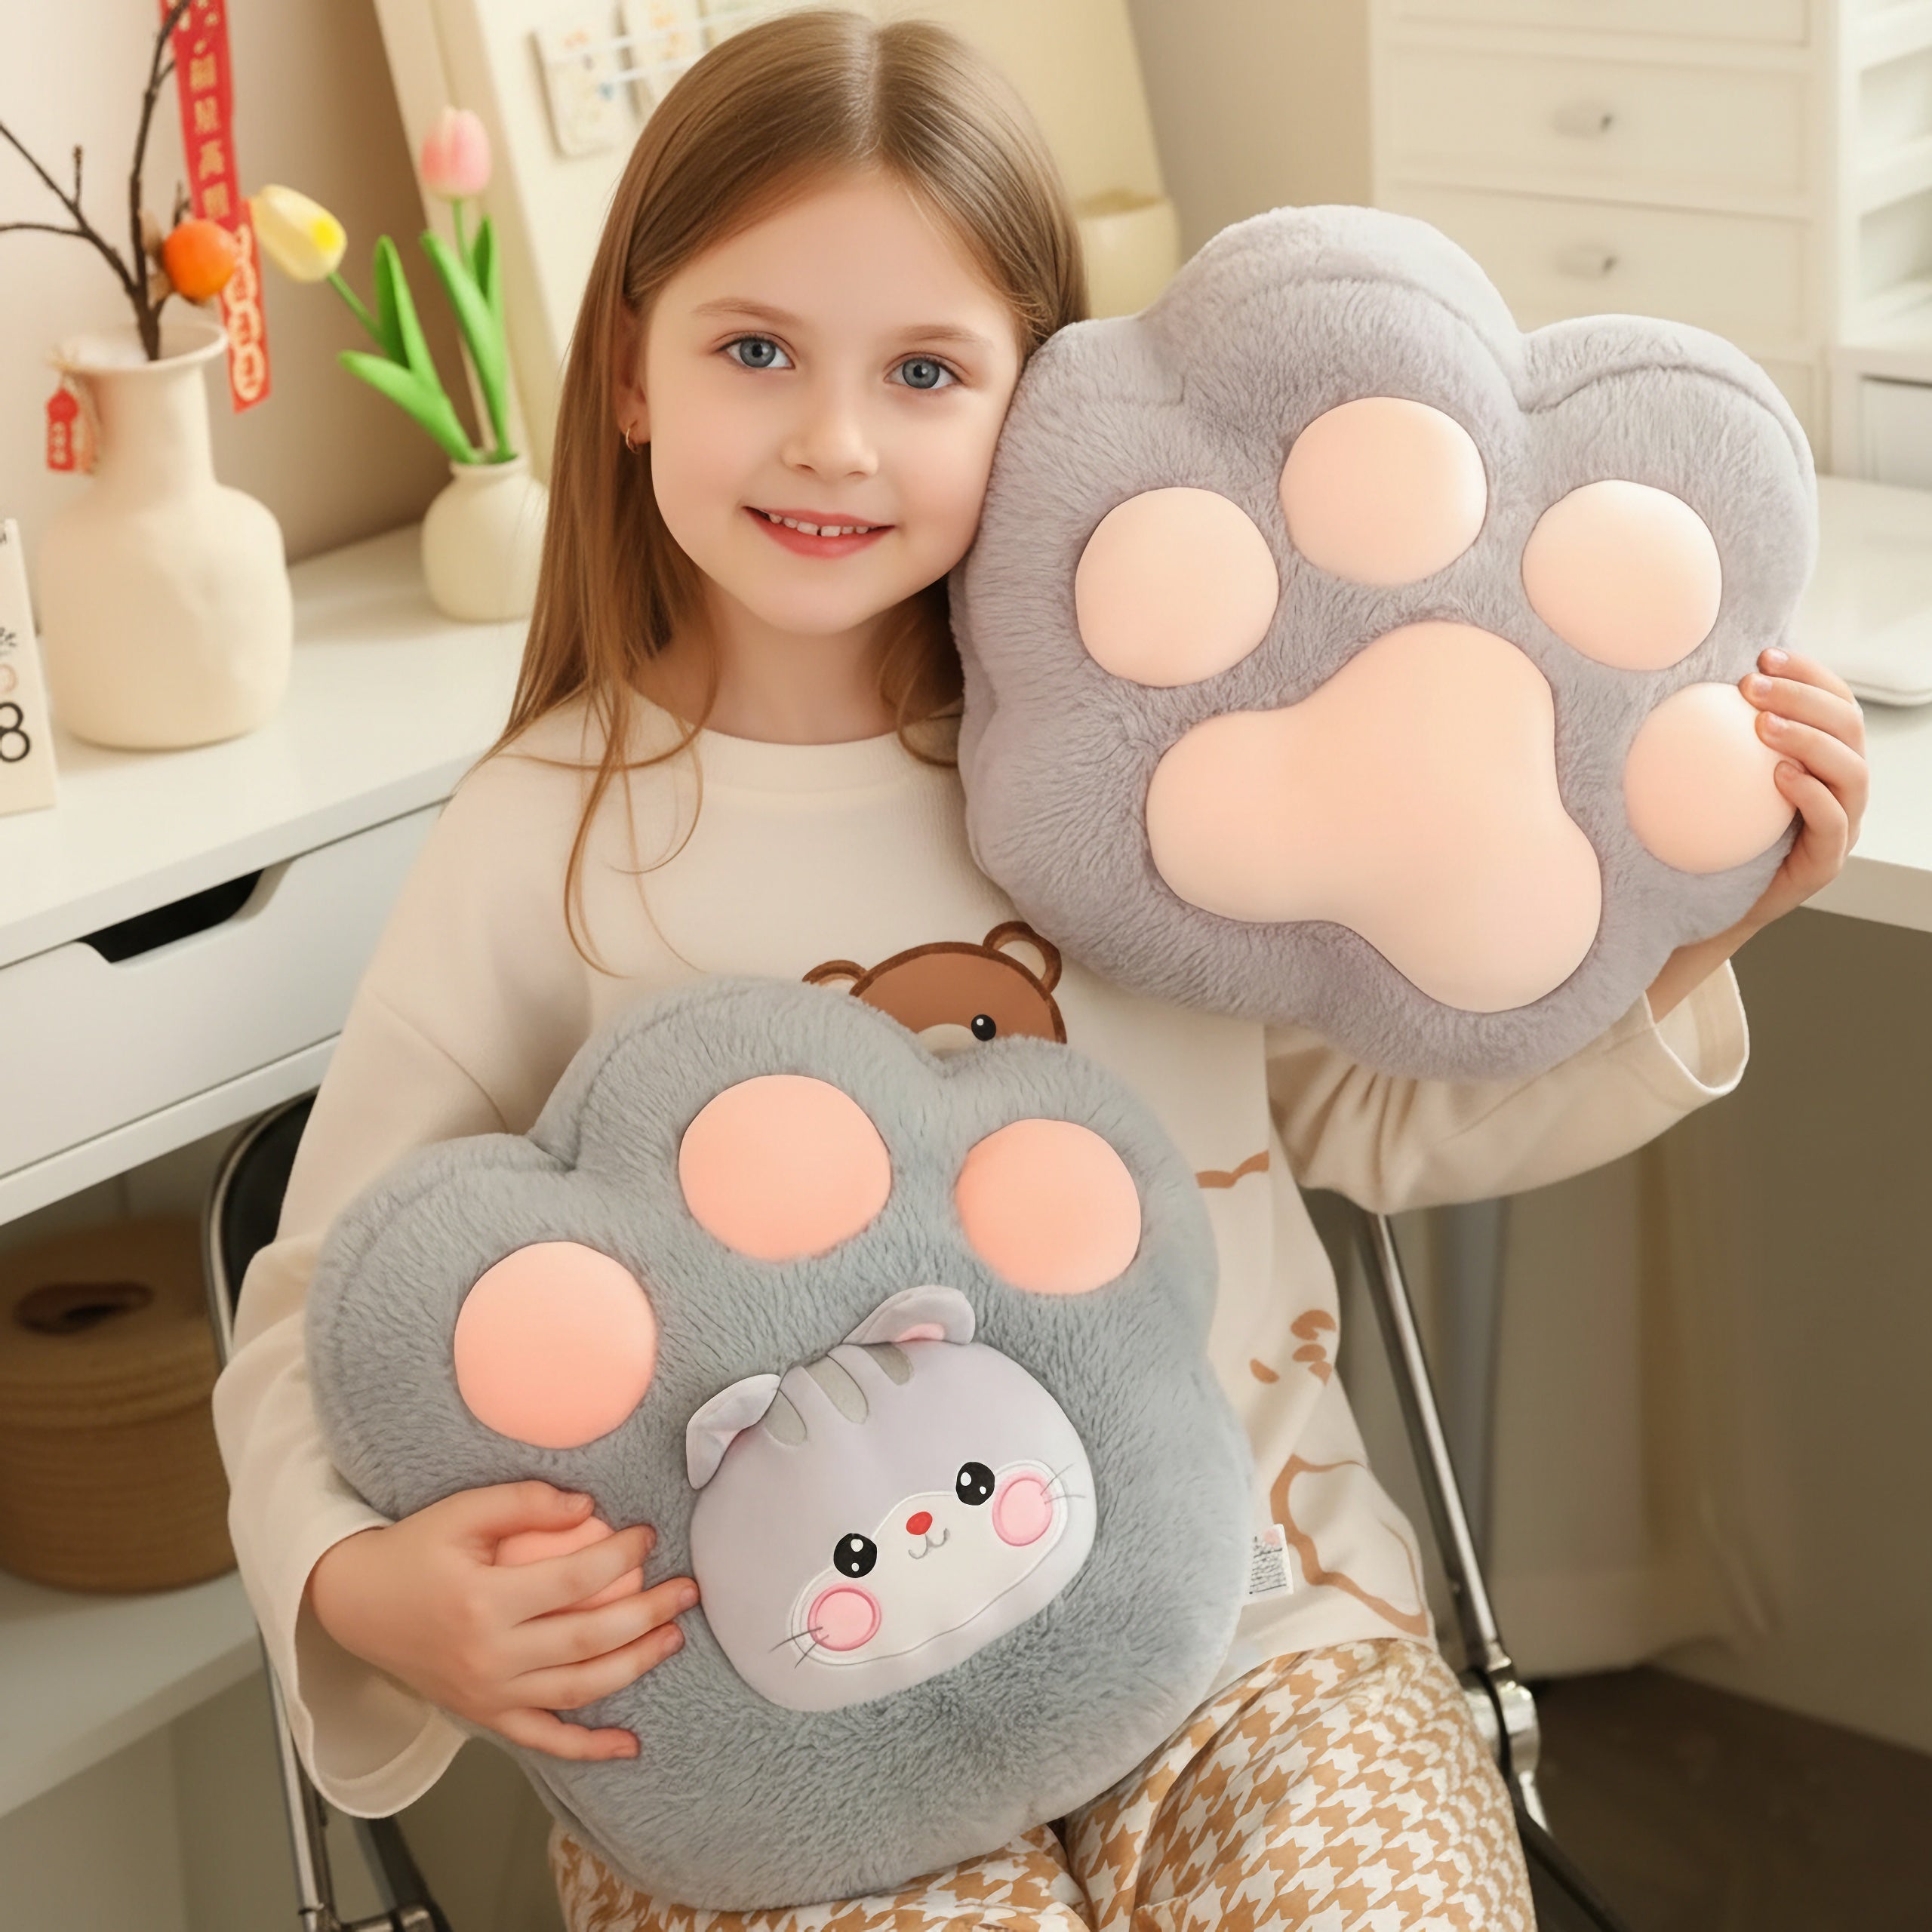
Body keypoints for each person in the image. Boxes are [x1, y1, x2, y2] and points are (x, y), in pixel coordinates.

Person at [212, 11, 1870, 1929]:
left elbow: (1352, 1112)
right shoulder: (551, 835)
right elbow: (317, 1310)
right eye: (755, 348)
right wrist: (358, 1581)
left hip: (1257, 1622)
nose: (833, 436)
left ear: (1038, 395)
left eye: (925, 368)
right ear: (635, 374)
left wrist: (1698, 930)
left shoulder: (1141, 758)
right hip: (773, 1723)